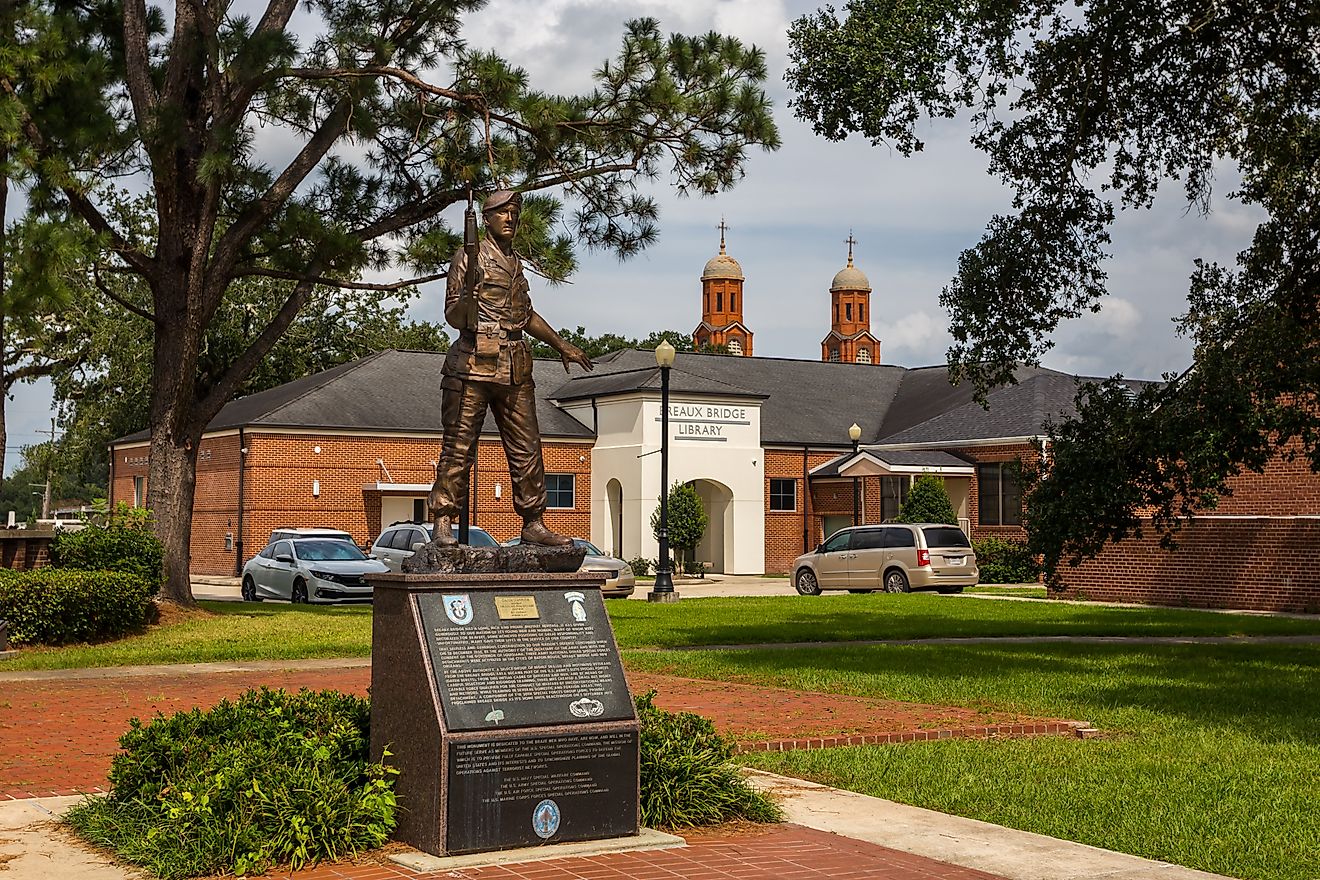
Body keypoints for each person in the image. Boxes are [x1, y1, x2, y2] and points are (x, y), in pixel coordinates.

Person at [427, 190, 593, 546]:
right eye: (503, 213)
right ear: (486, 219)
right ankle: (443, 520)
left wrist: (561, 345)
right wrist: (470, 296)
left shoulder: (514, 263)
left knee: (527, 447)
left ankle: (533, 522)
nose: (510, 219)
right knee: (458, 446)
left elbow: (525, 315)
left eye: (515, 213)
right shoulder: (467, 258)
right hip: (472, 364)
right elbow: (453, 315)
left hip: (515, 366)